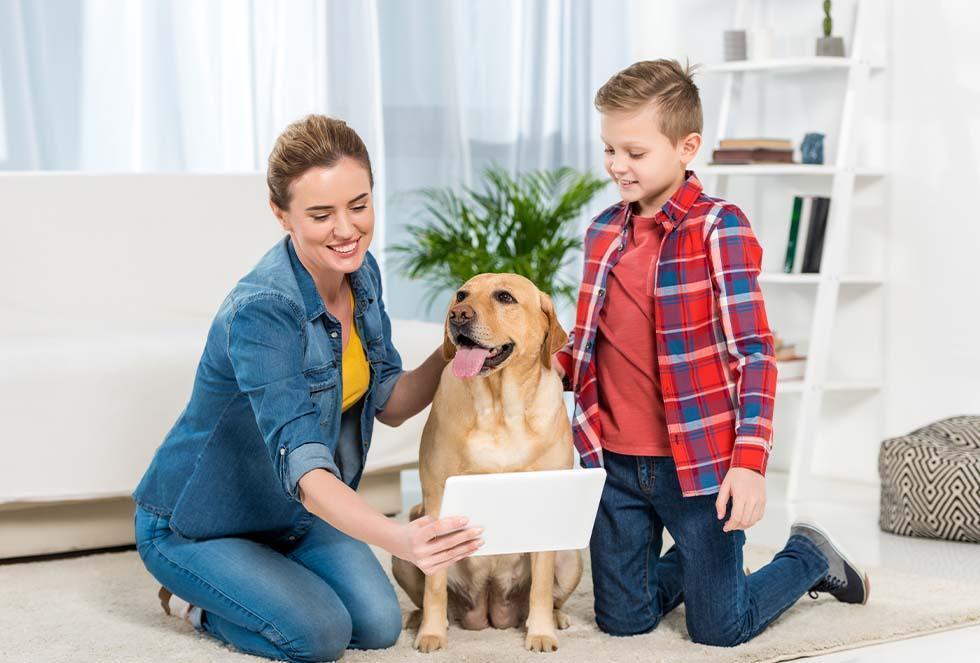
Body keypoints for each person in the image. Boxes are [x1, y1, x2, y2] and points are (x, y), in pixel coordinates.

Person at [132, 114, 484, 662]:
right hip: (199, 523)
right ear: (281, 215)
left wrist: (454, 352)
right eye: (321, 215)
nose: (347, 230)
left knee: (376, 626)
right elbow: (304, 465)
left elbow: (389, 402)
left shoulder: (362, 276)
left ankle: (263, 580)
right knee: (316, 638)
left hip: (293, 516)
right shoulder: (262, 312)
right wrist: (398, 538)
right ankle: (192, 600)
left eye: (359, 205)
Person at [552, 60, 869, 646]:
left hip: (696, 465)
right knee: (623, 621)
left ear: (686, 146)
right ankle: (698, 573)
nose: (617, 165)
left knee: (721, 629)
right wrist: (543, 364)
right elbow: (589, 346)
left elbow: (755, 353)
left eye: (634, 152)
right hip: (613, 462)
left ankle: (807, 556)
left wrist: (748, 462)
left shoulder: (719, 229)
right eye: (608, 149)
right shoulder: (601, 232)